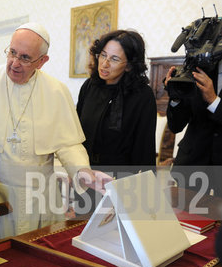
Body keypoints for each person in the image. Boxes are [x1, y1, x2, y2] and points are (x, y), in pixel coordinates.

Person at [0, 22, 111, 246]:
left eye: (25, 58)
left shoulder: (56, 91)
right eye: (12, 52)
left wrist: (83, 172)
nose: (14, 63)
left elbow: (69, 144)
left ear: (42, 61)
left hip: (40, 198)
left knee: (39, 265)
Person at [76, 30, 157, 167]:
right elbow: (76, 131)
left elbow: (144, 148)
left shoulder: (142, 96)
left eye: (114, 59)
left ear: (129, 65)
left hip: (121, 178)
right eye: (103, 55)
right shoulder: (90, 86)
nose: (104, 64)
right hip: (85, 171)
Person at [164, 60, 222, 195]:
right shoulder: (197, 69)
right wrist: (176, 96)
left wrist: (214, 101)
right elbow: (176, 126)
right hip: (191, 168)